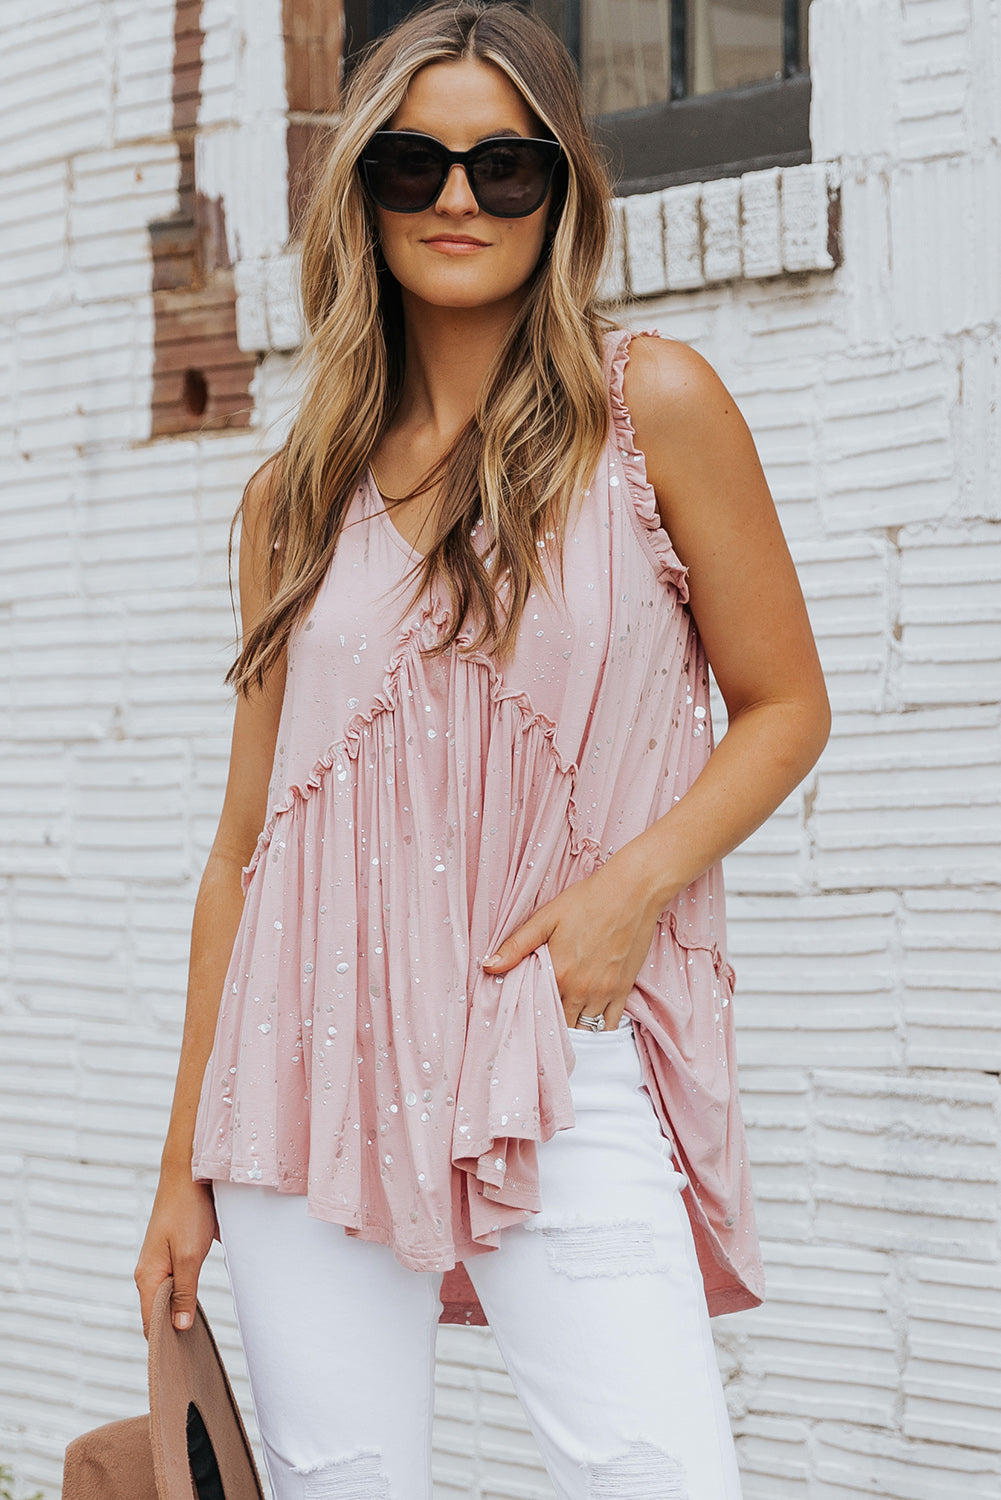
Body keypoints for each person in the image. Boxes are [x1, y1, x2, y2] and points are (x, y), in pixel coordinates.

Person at [135, 3, 831, 1496]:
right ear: (364, 192)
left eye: (504, 166)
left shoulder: (650, 411)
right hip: (302, 1073)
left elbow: (785, 705)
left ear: (562, 188)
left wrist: (629, 890)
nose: (457, 198)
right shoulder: (291, 499)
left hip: (549, 1050)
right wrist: (180, 1164)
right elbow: (245, 844)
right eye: (415, 163)